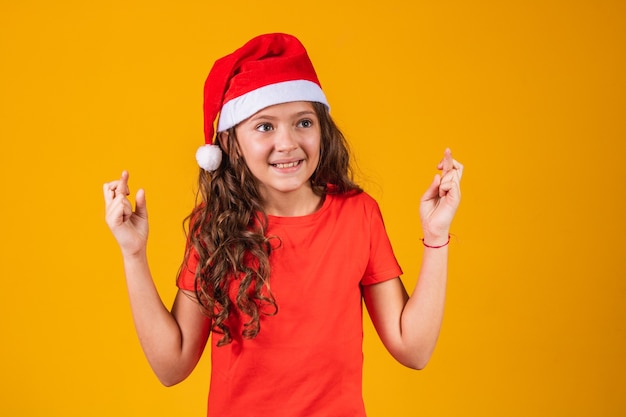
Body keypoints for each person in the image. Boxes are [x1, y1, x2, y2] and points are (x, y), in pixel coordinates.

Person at [103, 33, 463, 417]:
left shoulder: (359, 214)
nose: (288, 142)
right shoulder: (214, 227)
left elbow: (414, 349)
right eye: (264, 127)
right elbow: (172, 366)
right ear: (230, 143)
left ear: (322, 129)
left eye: (303, 122)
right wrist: (133, 253)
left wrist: (436, 236)